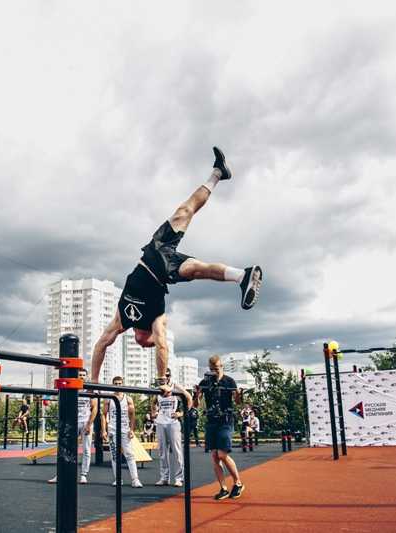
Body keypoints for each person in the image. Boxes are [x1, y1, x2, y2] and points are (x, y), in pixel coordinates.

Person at [90, 147, 263, 384]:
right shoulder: (156, 320)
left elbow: (101, 344)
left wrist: (93, 380)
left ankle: (218, 173)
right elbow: (161, 344)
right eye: (146, 345)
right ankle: (242, 276)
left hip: (155, 252)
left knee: (186, 211)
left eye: (142, 343)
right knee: (197, 268)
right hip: (164, 269)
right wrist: (161, 380)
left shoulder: (123, 320)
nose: (141, 345)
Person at [196, 355, 244, 500]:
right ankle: (223, 488)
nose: (214, 372)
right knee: (214, 456)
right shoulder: (205, 381)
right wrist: (197, 395)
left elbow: (237, 401)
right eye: (211, 369)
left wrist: (238, 394)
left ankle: (238, 483)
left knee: (222, 454)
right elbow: (196, 405)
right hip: (211, 420)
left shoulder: (229, 381)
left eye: (216, 369)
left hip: (225, 420)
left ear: (221, 367)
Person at [48, 368, 98, 484]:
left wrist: (89, 424)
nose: (81, 376)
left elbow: (94, 408)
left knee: (86, 450)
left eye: (83, 375)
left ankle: (83, 475)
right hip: (73, 422)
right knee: (66, 448)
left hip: (86, 422)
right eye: (79, 374)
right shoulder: (72, 388)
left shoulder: (89, 390)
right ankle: (61, 474)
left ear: (86, 377)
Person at [152, 369, 191, 487]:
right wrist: (154, 412)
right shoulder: (158, 389)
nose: (163, 380)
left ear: (169, 377)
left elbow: (189, 398)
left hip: (173, 422)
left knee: (177, 451)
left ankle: (179, 478)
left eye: (165, 377)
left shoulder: (175, 386)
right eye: (160, 378)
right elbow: (153, 402)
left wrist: (182, 413)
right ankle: (164, 477)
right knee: (162, 452)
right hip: (160, 422)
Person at [101, 376, 143, 488]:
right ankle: (118, 479)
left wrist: (131, 430)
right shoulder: (108, 399)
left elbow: (132, 415)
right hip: (113, 430)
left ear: (122, 384)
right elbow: (104, 415)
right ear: (113, 384)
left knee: (129, 454)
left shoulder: (128, 399)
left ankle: (135, 479)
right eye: (116, 383)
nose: (118, 385)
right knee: (115, 455)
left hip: (124, 429)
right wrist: (104, 430)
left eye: (120, 383)